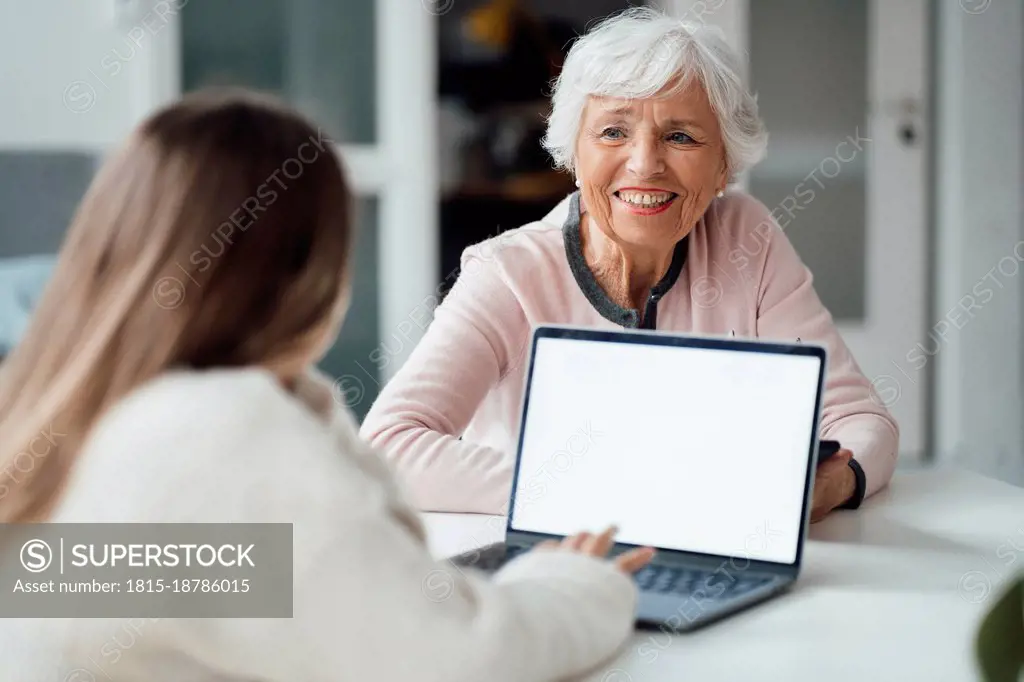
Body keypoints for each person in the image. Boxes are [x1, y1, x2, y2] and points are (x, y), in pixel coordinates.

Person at [0, 89, 654, 681]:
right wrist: (575, 579)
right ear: (314, 272)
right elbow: (460, 659)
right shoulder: (219, 430)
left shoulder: (70, 413)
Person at [361, 7, 899, 523]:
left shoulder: (745, 237)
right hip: (553, 564)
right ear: (574, 152)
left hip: (711, 552)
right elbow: (388, 447)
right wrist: (609, 488)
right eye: (613, 132)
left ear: (724, 166)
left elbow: (859, 419)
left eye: (680, 136)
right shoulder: (508, 274)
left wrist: (832, 483)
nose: (644, 164)